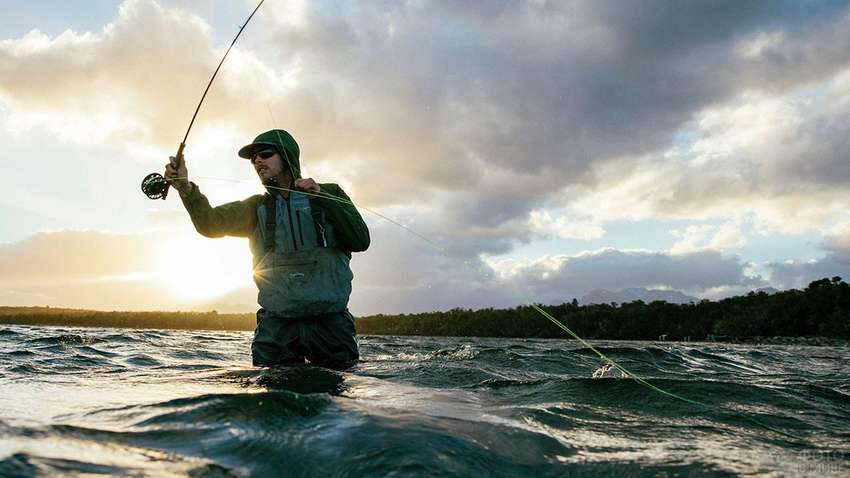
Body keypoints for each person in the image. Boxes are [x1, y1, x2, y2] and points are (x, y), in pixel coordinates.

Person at [164, 129, 370, 370]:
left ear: (287, 156)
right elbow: (209, 224)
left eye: (265, 154)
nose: (257, 161)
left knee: (337, 399)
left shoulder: (331, 193)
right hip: (276, 328)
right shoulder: (255, 207)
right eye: (254, 158)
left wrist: (321, 196)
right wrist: (186, 189)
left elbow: (360, 240)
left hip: (330, 323)